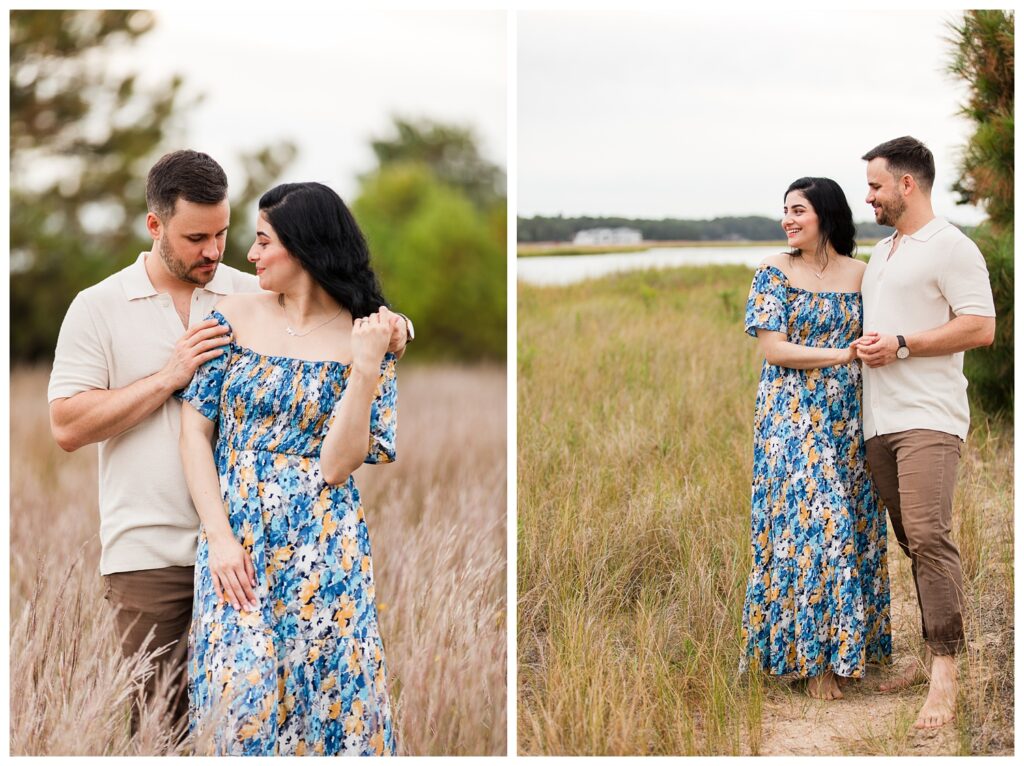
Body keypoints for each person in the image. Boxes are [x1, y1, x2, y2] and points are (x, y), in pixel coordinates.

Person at [46, 151, 410, 736]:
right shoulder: (100, 307)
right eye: (197, 237)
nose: (217, 251)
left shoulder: (245, 292)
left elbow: (336, 310)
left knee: (298, 718)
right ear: (155, 226)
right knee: (164, 729)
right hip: (155, 550)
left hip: (284, 553)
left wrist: (392, 332)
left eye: (223, 232)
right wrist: (167, 377)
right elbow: (65, 426)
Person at [178, 182, 399, 755]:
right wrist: (221, 540)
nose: (249, 256)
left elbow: (336, 464)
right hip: (239, 551)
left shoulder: (367, 335)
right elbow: (195, 434)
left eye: (262, 241)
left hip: (325, 553)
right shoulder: (230, 317)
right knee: (241, 705)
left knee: (327, 703)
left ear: (302, 247)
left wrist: (367, 364)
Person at [857, 136, 995, 729]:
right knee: (913, 543)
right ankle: (931, 655)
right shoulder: (885, 252)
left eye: (876, 185)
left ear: (906, 185)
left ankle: (946, 677)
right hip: (878, 423)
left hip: (929, 419)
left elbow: (981, 327)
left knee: (931, 538)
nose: (870, 196)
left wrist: (905, 344)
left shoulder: (952, 248)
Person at [740, 177, 891, 700]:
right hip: (790, 410)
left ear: (825, 214)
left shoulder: (862, 274)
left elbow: (884, 333)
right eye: (784, 210)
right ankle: (814, 661)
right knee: (815, 520)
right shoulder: (773, 271)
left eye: (798, 209)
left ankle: (852, 653)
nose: (788, 219)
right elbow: (774, 351)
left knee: (852, 522)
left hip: (848, 413)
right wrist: (842, 355)